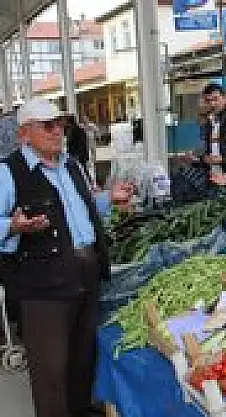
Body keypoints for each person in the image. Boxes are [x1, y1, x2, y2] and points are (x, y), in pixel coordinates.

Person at [0, 98, 134, 417]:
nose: (57, 131)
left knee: (83, 355)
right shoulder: (8, 172)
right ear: (24, 134)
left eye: (61, 125)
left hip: (85, 273)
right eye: (48, 126)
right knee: (51, 369)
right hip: (42, 285)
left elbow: (82, 207)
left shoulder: (72, 165)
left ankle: (81, 409)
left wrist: (109, 199)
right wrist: (12, 226)